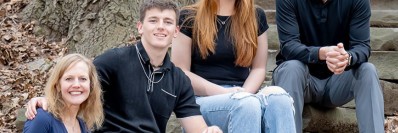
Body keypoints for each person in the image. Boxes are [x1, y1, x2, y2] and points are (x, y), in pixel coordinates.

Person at [24, 0, 222, 132]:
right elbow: (79, 85)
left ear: (176, 31)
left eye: (168, 22)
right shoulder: (115, 60)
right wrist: (47, 99)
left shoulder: (179, 80)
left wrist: (209, 131)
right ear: (140, 27)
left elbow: (197, 128)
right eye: (153, 20)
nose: (161, 26)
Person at [171, 0, 296, 132]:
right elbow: (180, 72)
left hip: (244, 95)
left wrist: (244, 94)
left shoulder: (255, 15)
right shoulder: (189, 16)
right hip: (203, 100)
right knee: (246, 104)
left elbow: (258, 68)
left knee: (279, 98)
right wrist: (226, 94)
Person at [272, 0, 385, 132]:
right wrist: (321, 53)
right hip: (300, 81)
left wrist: (347, 58)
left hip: (337, 83)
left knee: (368, 71)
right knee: (291, 68)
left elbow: (362, 46)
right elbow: (288, 46)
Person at [23, 54, 104, 133]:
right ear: (58, 85)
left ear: (91, 85)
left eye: (83, 79)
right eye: (69, 79)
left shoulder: (84, 126)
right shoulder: (42, 119)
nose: (76, 85)